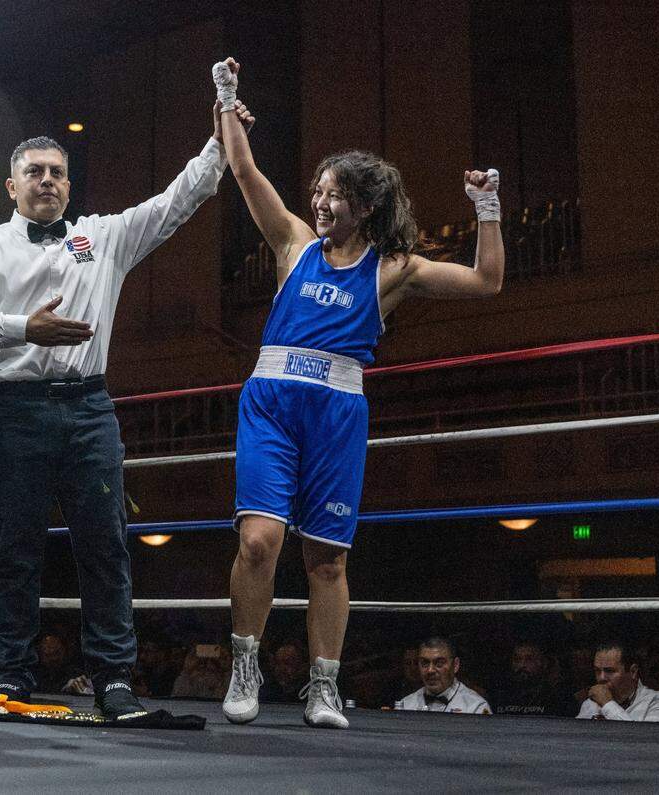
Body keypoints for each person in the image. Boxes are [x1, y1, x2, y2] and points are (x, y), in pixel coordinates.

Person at [212, 57, 504, 729]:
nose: (317, 202)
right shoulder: (291, 242)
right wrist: (227, 95)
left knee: (327, 558)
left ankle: (323, 684)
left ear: (365, 205)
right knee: (258, 541)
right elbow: (245, 172)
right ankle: (245, 663)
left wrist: (486, 205)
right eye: (316, 190)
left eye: (332, 195)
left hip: (338, 410)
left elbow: (487, 282)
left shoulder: (394, 268)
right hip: (272, 402)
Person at [0, 98, 252, 719]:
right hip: (15, 406)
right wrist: (23, 327)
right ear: (12, 185)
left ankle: (114, 679)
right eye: (35, 172)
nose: (47, 180)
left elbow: (177, 201)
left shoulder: (99, 236)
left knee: (105, 545)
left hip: (89, 407)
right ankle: (12, 678)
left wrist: (221, 140)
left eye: (56, 171)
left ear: (68, 183)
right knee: (14, 547)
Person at [577, 641, 659, 722]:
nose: (601, 678)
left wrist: (607, 704)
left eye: (610, 671)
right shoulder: (590, 704)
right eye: (597, 671)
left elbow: (646, 743)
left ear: (633, 671)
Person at [396, 637, 491, 714]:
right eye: (425, 663)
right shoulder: (406, 705)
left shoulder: (475, 707)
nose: (430, 670)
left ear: (455, 665)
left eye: (439, 663)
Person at [491, 640, 574, 717]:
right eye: (517, 659)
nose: (521, 665)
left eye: (529, 659)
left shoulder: (558, 698)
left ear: (543, 663)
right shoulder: (500, 695)